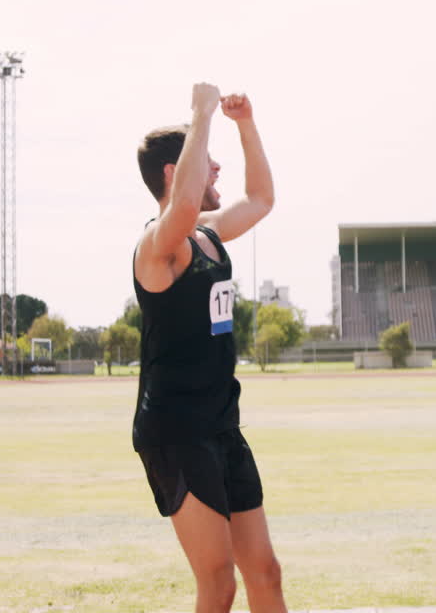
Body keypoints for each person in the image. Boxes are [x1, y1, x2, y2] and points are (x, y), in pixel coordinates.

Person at [131, 83, 283, 613]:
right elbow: (187, 201)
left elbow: (261, 198)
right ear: (175, 173)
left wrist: (246, 124)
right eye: (206, 159)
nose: (217, 169)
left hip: (221, 426)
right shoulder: (158, 248)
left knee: (265, 572)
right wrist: (201, 114)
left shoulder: (210, 235)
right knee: (218, 584)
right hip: (176, 432)